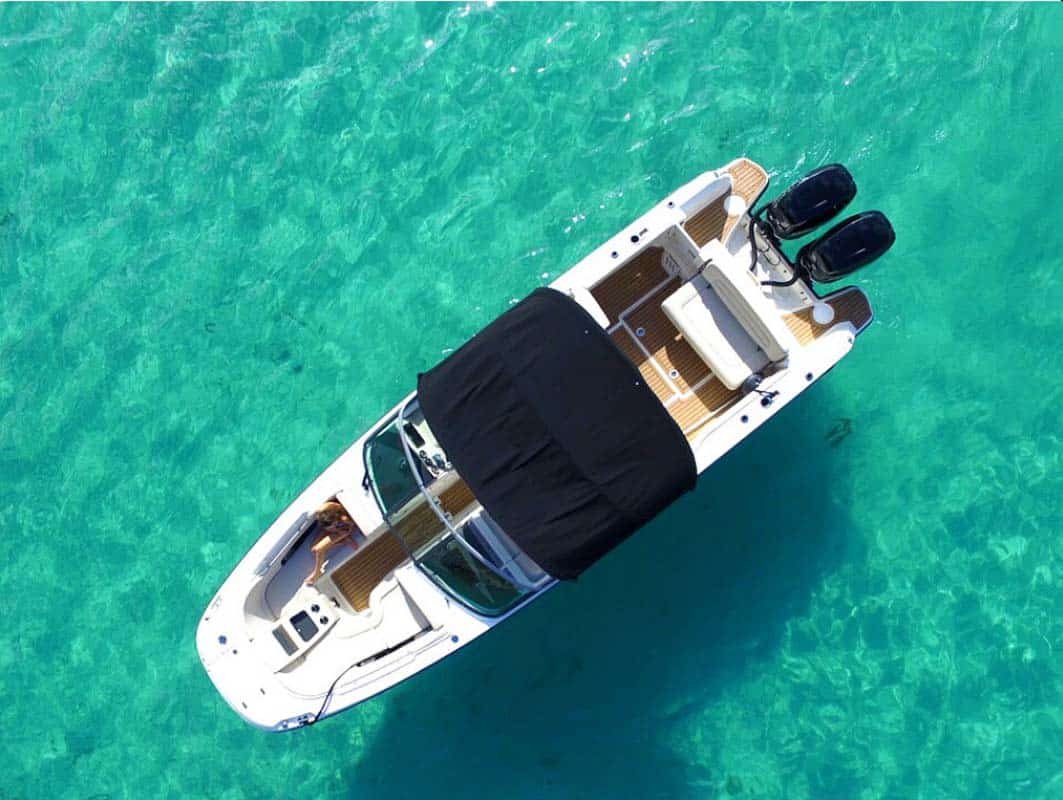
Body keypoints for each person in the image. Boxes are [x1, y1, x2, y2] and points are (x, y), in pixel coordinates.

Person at [306, 500, 361, 585]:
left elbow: (351, 525)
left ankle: (317, 573)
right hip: (335, 528)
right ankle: (344, 541)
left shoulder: (344, 520)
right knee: (313, 548)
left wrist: (342, 533)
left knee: (318, 550)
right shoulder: (322, 511)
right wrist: (332, 529)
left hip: (343, 530)